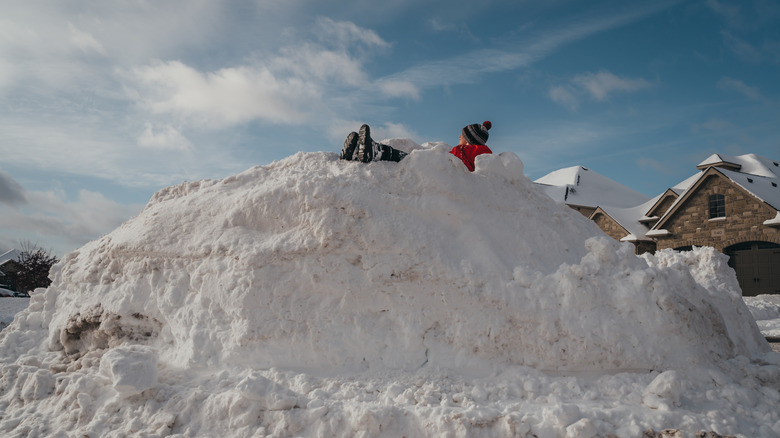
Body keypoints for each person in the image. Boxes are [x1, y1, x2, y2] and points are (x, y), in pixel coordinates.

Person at [340, 121, 493, 172]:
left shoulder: (479, 154)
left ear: (468, 139)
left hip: (437, 172)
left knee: (406, 159)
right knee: (407, 157)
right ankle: (356, 152)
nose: (459, 137)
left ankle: (373, 151)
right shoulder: (467, 151)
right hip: (438, 168)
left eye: (462, 135)